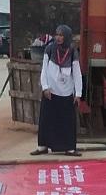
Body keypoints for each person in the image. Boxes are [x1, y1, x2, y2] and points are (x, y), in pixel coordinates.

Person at [31, 24, 82, 157]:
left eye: (61, 35)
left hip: (66, 93)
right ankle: (42, 147)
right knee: (46, 120)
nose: (58, 38)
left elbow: (77, 73)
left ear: (67, 37)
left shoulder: (72, 51)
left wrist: (78, 93)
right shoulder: (49, 49)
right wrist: (45, 87)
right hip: (51, 92)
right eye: (57, 35)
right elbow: (44, 70)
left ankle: (69, 148)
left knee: (67, 122)